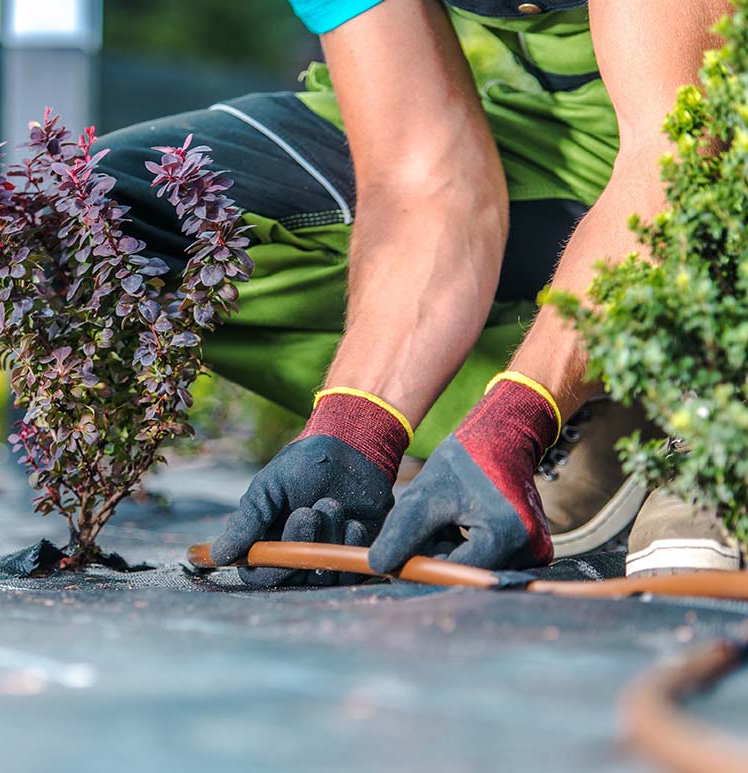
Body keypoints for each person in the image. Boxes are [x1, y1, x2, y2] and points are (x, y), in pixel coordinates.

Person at [97, 0, 744, 583]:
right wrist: (354, 433)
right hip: (569, 148)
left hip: (706, 115)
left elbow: (678, 147)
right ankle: (598, 404)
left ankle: (715, 409)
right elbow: (426, 177)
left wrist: (516, 419)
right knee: (89, 212)